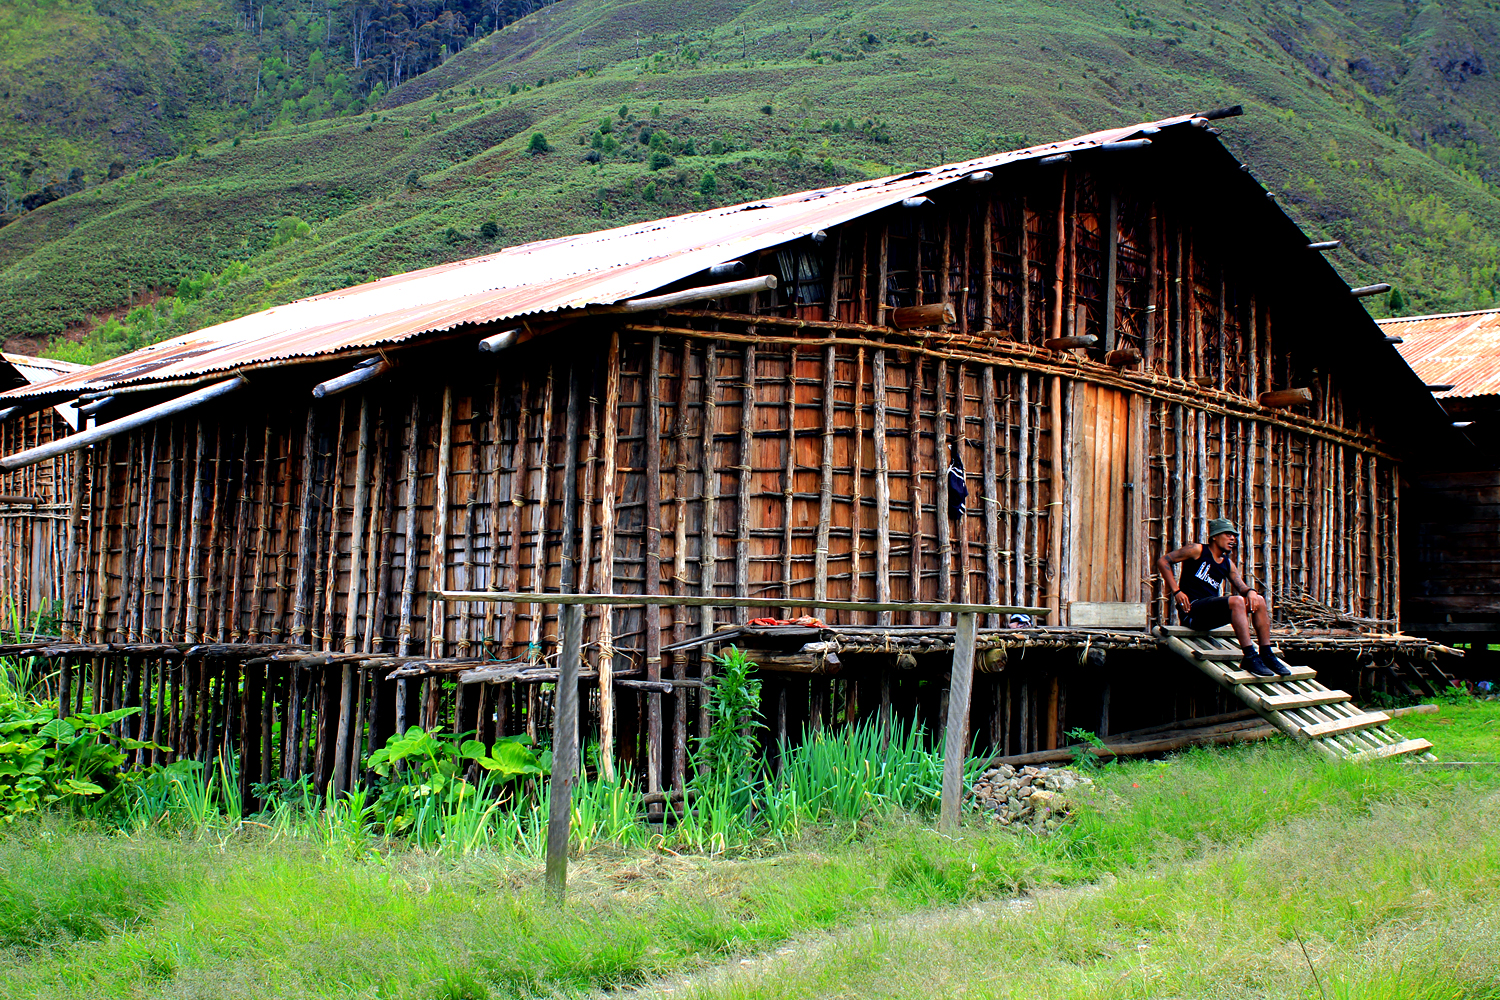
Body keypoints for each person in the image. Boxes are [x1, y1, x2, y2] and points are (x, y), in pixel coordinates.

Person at [1156, 517, 1290, 677]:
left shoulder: (1227, 564)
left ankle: (1266, 654)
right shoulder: (1197, 550)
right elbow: (1163, 561)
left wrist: (1251, 591)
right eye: (1227, 534)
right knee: (1237, 601)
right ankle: (1249, 655)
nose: (1232, 538)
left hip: (1209, 616)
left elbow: (1241, 587)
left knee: (1259, 601)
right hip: (1192, 613)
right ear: (1214, 536)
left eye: (1233, 535)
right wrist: (1177, 591)